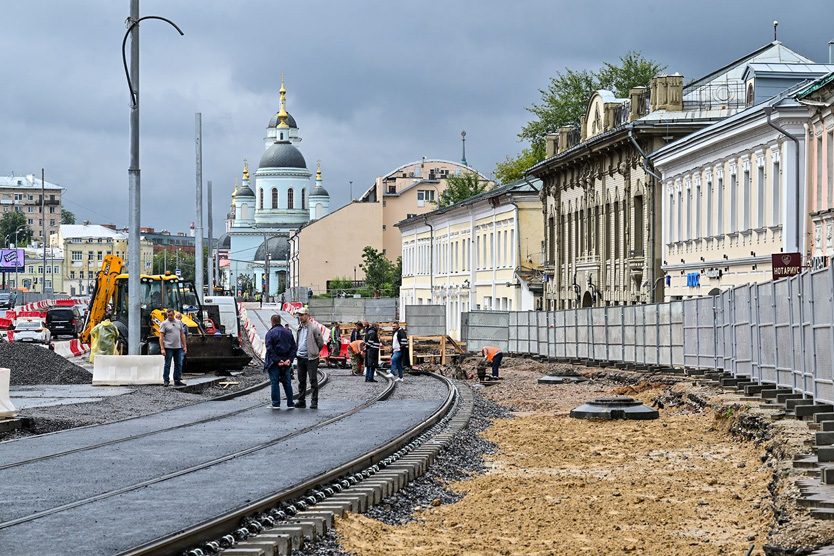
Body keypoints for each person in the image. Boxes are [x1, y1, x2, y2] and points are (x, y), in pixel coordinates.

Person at [264, 314, 296, 410]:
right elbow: (293, 348)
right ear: (280, 321)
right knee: (287, 383)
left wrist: (278, 360)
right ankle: (290, 403)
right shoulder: (288, 333)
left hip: (274, 363)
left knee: (274, 383)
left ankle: (276, 403)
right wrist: (289, 360)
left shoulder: (270, 333)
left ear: (272, 322)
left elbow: (269, 348)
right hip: (286, 363)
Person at [295, 307, 325, 408]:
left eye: (302, 315)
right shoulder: (299, 328)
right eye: (299, 315)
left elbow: (320, 343)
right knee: (301, 380)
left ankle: (314, 401)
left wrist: (314, 351)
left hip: (311, 358)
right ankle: (301, 400)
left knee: (313, 380)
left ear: (307, 316)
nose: (300, 317)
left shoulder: (314, 328)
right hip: (300, 357)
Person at [160, 309, 187, 387]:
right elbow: (161, 337)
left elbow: (182, 335)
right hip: (168, 347)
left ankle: (177, 380)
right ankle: (166, 380)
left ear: (174, 314)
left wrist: (184, 346)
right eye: (168, 315)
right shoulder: (164, 324)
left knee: (178, 364)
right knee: (167, 364)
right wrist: (162, 348)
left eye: (171, 315)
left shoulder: (179, 323)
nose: (170, 316)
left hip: (178, 347)